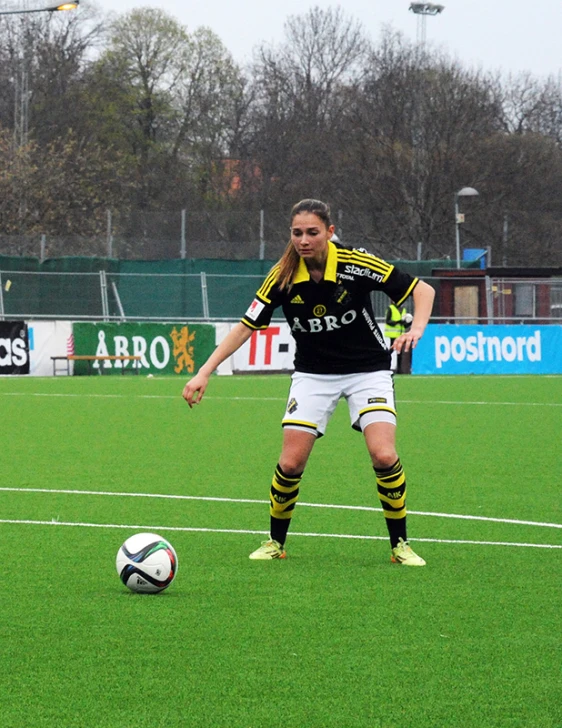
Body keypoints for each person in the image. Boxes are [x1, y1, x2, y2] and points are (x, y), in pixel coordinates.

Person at [183, 199, 435, 566]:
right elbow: (245, 327)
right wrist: (204, 371)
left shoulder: (355, 264)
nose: (303, 240)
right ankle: (275, 542)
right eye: (297, 233)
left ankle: (400, 545)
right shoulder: (283, 276)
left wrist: (416, 329)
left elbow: (421, 289)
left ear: (330, 233)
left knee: (383, 454)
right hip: (313, 374)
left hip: (368, 369)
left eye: (312, 232)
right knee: (290, 464)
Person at [385, 303, 413, 373]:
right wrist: (398, 322)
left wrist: (408, 322)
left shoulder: (403, 310)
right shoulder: (390, 308)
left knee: (399, 352)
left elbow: (404, 325)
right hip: (393, 334)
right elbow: (388, 321)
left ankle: (399, 369)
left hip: (400, 335)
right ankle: (386, 366)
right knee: (391, 351)